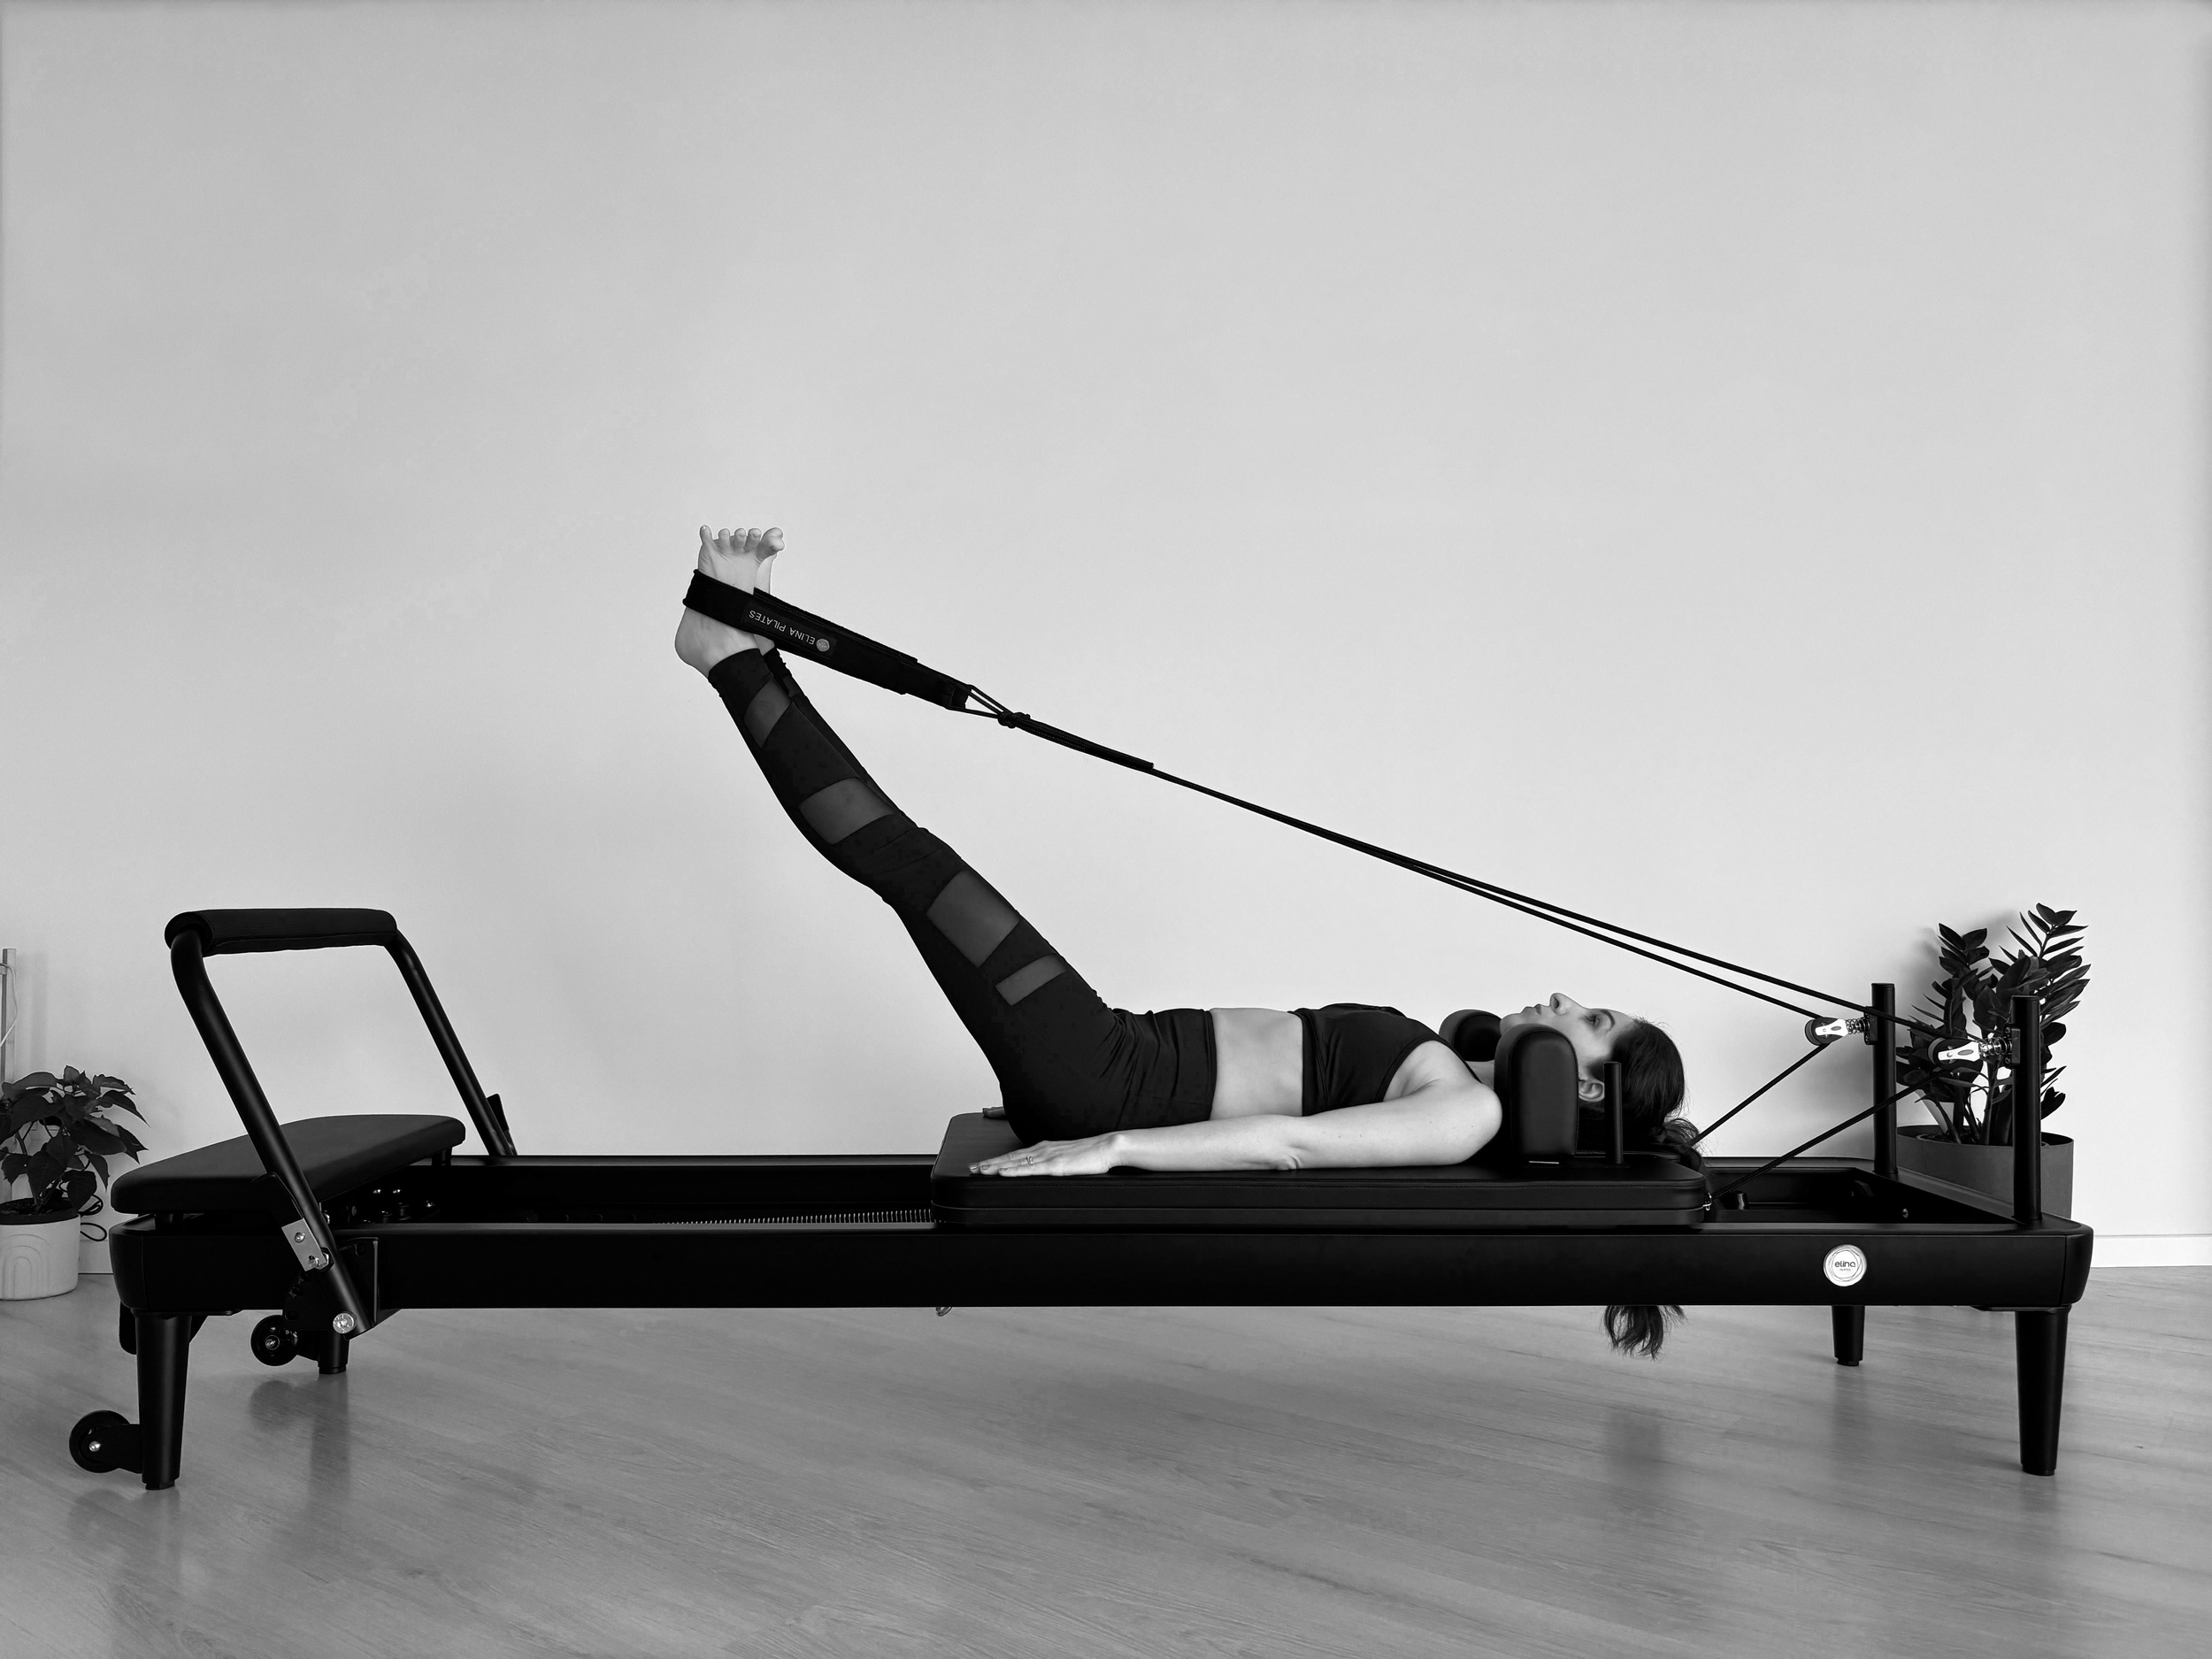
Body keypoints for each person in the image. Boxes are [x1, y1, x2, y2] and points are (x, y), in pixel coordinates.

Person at [676, 526, 1693, 1353]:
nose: (1564, 1000)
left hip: (1107, 1082)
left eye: (1589, 1019)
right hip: (1117, 1048)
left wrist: (1108, 1150)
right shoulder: (1458, 1075)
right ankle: (745, 650)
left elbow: (1286, 1147)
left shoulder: (1461, 1117)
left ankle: (733, 657)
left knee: (916, 866)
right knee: (917, 869)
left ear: (1588, 1085)